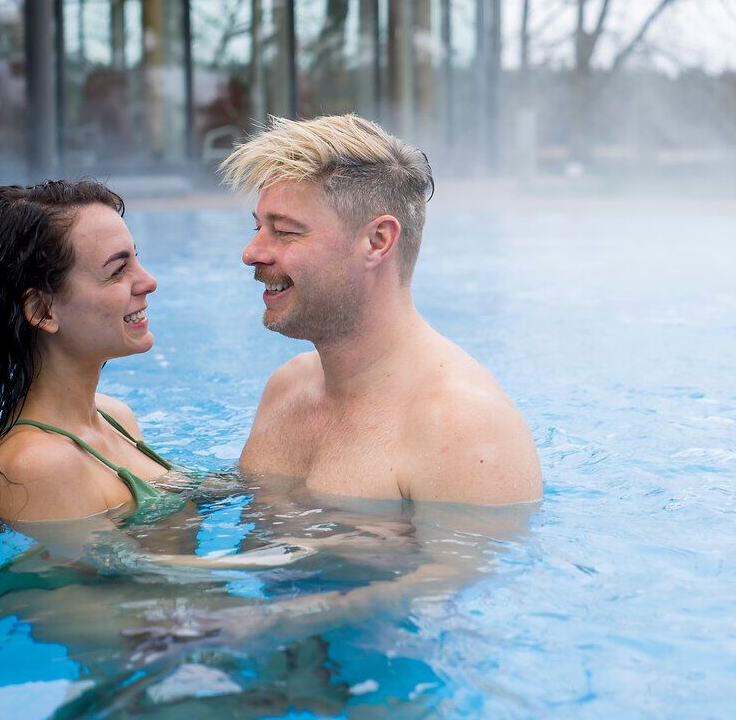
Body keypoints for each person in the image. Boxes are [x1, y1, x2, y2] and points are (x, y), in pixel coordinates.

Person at [222, 113, 543, 504]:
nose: (251, 253)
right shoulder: (287, 388)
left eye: (286, 231)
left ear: (377, 241)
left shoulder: (462, 430)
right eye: (257, 228)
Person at [0, 179, 183, 540]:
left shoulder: (114, 416)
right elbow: (98, 589)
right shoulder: (36, 465)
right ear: (42, 310)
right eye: (117, 271)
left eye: (136, 259)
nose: (148, 281)